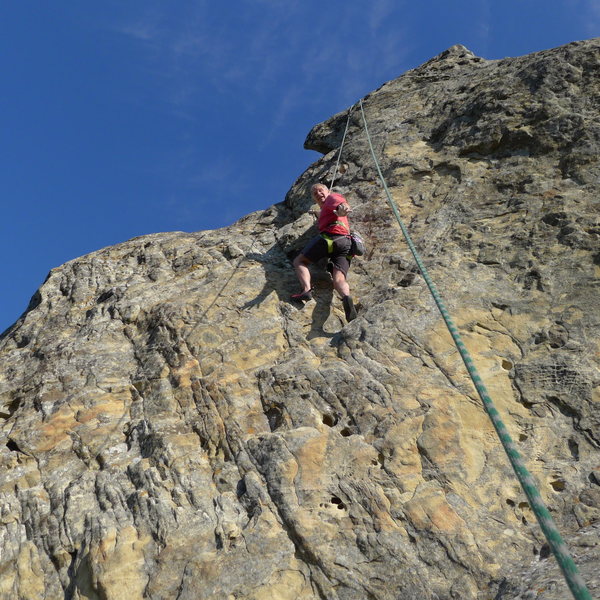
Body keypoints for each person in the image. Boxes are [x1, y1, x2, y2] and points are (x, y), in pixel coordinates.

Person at [291, 183, 358, 322]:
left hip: (330, 238)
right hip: (345, 243)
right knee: (339, 279)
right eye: (315, 194)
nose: (319, 194)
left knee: (299, 261)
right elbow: (323, 212)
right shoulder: (324, 209)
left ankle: (306, 290)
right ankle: (346, 297)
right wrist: (315, 213)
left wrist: (343, 209)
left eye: (320, 191)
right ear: (314, 200)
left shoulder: (332, 197)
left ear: (328, 191)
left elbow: (341, 205)